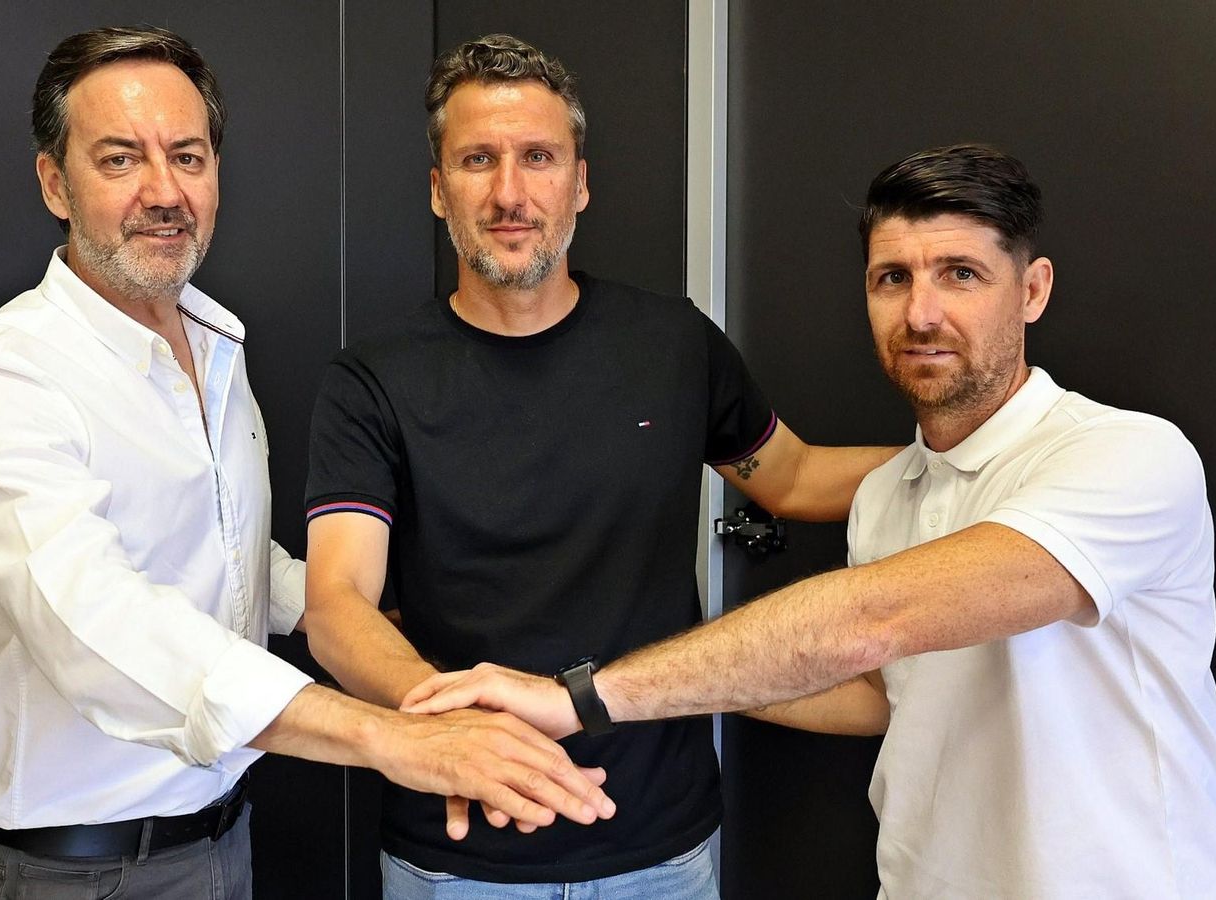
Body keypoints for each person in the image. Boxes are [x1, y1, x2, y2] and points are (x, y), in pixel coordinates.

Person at [405, 144, 1216, 898]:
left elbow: (871, 622)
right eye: (894, 278)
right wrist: (644, 678)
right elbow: (881, 694)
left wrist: (581, 696)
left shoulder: (1127, 457)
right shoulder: (889, 495)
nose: (921, 314)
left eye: (961, 274)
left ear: (1032, 291)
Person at [0, 26, 611, 900]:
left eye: (188, 156)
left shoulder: (210, 343)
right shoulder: (2, 374)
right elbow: (97, 625)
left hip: (220, 840)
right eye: (120, 160)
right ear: (55, 182)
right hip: (76, 870)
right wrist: (388, 736)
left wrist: (352, 611)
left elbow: (224, 556)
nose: (164, 192)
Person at [301, 34, 892, 898]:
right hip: (459, 855)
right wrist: (464, 733)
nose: (510, 193)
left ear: (579, 182)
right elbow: (337, 604)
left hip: (663, 848)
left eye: (538, 157)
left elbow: (793, 479)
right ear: (438, 190)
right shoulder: (372, 381)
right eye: (478, 160)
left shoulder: (672, 345)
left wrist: (976, 460)